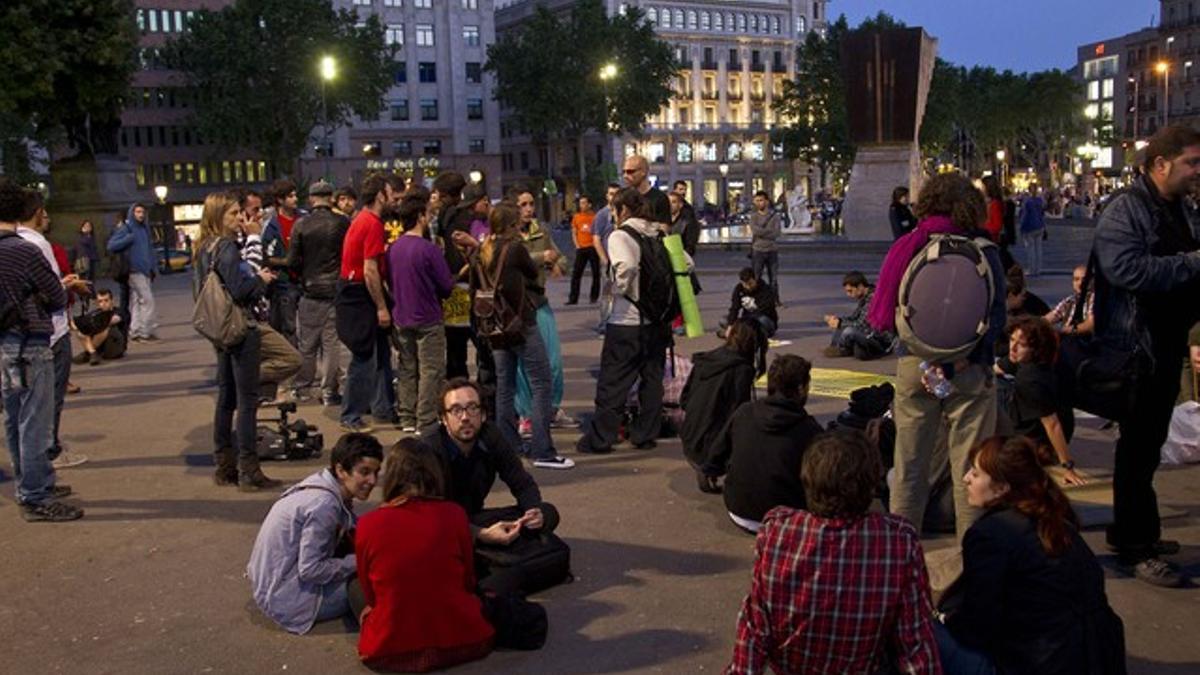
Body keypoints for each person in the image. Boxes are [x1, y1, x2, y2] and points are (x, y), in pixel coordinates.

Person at [726, 430, 941, 674]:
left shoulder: (777, 529)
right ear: (870, 485)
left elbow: (755, 626)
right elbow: (914, 639)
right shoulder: (898, 540)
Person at [867, 173, 1007, 540]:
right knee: (970, 467)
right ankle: (970, 557)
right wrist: (962, 359)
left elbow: (893, 314)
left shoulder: (911, 245)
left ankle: (900, 551)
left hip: (918, 366)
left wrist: (924, 354)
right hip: (969, 370)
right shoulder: (984, 249)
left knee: (910, 464)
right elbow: (996, 316)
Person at [1091, 125, 1200, 587]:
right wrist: (1194, 262)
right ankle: (1135, 546)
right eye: (1191, 162)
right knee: (1136, 449)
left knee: (1147, 446)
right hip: (1137, 349)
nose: (1197, 171)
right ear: (1161, 164)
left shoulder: (1181, 208)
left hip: (1167, 343)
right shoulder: (1126, 210)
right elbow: (1126, 270)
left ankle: (1139, 531)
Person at [935, 436, 1127, 674]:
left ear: (1002, 488)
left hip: (1038, 660)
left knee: (925, 629)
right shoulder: (1059, 521)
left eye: (975, 474)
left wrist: (944, 620)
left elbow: (979, 623)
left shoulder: (990, 534)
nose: (966, 479)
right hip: (1097, 656)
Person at [355, 437, 495, 671]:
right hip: (465, 641)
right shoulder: (454, 514)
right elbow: (468, 580)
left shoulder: (369, 524)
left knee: (354, 586)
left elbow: (370, 593)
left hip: (387, 651)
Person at [423, 379, 564, 588]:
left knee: (548, 513)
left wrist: (532, 511)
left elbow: (522, 483)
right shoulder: (430, 448)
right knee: (439, 543)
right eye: (455, 410)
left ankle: (491, 553)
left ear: (483, 413)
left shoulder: (490, 436)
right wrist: (479, 534)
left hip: (474, 518)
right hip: (441, 527)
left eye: (472, 408)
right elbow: (428, 515)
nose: (465, 417)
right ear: (443, 419)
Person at [576, 187, 685, 455]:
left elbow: (625, 267)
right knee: (652, 380)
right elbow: (687, 264)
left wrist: (617, 287)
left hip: (627, 322)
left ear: (623, 209)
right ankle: (645, 434)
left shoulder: (621, 235)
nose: (613, 215)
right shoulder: (659, 232)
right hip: (658, 323)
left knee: (613, 382)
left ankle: (602, 438)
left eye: (614, 209)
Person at [0, 180, 81, 522]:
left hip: (4, 343)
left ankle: (28, 484)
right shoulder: (25, 250)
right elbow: (58, 296)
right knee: (35, 420)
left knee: (15, 418)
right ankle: (36, 494)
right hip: (31, 340)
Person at [470, 204, 573, 469]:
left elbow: (473, 286)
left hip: (494, 326)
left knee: (505, 384)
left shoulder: (481, 250)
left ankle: (510, 445)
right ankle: (543, 450)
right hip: (519, 322)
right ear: (512, 225)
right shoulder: (514, 249)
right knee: (541, 383)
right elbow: (531, 272)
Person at [247, 433, 382, 634]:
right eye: (364, 472)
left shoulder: (322, 482)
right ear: (341, 470)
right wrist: (360, 561)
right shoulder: (324, 505)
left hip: (271, 585)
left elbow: (354, 525)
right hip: (286, 600)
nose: (372, 480)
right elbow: (311, 569)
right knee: (377, 581)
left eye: (375, 472)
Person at [194, 191, 281, 491]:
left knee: (226, 398)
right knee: (247, 401)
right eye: (232, 214)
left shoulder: (203, 248)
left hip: (219, 329)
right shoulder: (227, 247)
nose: (239, 219)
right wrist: (262, 281)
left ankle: (225, 464)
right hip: (240, 328)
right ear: (219, 217)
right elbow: (242, 290)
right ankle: (249, 469)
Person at [706, 354, 823, 532]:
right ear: (801, 388)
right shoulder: (808, 429)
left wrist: (711, 471)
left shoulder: (744, 412)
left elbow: (716, 455)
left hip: (738, 510)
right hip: (786, 519)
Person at [17, 192, 91, 469]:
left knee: (26, 404)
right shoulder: (37, 243)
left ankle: (37, 458)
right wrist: (68, 285)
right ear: (36, 213)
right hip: (51, 329)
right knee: (49, 397)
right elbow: (50, 292)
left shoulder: (13, 241)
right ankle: (49, 451)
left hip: (24, 331)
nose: (47, 219)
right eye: (45, 214)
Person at [388, 187, 455, 432]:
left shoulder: (393, 248)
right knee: (431, 370)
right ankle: (425, 419)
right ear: (420, 216)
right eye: (427, 214)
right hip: (428, 316)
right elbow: (446, 286)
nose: (429, 219)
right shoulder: (429, 249)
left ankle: (406, 416)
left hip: (402, 316)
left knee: (407, 368)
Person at [510, 187, 576, 432]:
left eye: (530, 204)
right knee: (523, 365)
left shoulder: (541, 231)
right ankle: (526, 415)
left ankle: (552, 408)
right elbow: (510, 259)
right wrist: (541, 258)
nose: (528, 209)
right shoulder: (509, 235)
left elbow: (561, 258)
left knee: (554, 361)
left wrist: (558, 263)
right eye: (522, 204)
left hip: (539, 301)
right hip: (517, 304)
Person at [338, 174, 398, 434]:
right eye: (389, 194)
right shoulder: (372, 223)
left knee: (381, 353)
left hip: (353, 292)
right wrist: (382, 307)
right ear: (380, 196)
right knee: (364, 358)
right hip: (359, 296)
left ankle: (382, 407)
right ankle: (351, 415)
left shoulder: (360, 220)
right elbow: (370, 269)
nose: (392, 199)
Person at [994, 316, 1086, 486]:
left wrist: (1067, 466)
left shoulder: (1031, 380)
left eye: (1021, 344)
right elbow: (996, 369)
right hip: (1050, 422)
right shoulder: (1030, 359)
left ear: (1035, 349)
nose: (1012, 348)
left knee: (991, 391)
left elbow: (1052, 424)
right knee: (989, 380)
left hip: (1035, 440)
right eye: (1011, 340)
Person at [680, 320, 764, 494]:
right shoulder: (741, 369)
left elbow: (685, 398)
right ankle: (716, 465)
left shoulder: (707, 359)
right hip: (709, 441)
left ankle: (708, 462)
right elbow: (738, 412)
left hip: (690, 435)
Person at [287, 180, 349, 407]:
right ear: (331, 197)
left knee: (308, 343)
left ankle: (303, 387)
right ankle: (329, 391)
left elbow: (292, 261)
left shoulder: (301, 225)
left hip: (310, 290)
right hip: (335, 290)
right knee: (332, 344)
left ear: (311, 199)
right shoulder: (342, 222)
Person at [106, 201, 158, 341]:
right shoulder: (127, 228)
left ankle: (135, 331)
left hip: (145, 270)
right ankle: (144, 332)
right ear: (132, 213)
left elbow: (149, 250)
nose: (141, 215)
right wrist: (128, 239)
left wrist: (153, 267)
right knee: (147, 300)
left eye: (142, 212)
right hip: (134, 270)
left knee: (137, 301)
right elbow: (111, 245)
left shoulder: (145, 229)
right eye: (138, 212)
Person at [262, 179, 303, 345]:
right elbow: (265, 255)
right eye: (291, 196)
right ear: (280, 200)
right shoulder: (271, 225)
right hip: (285, 283)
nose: (295, 199)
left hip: (305, 280)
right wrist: (285, 262)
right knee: (288, 327)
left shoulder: (304, 218)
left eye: (295, 195)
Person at [823, 271, 894, 360]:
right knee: (842, 327)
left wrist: (840, 323)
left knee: (848, 331)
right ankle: (838, 347)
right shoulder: (865, 297)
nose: (848, 295)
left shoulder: (873, 298)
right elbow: (855, 317)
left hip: (880, 339)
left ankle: (842, 349)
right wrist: (838, 320)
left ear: (860, 286)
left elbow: (863, 324)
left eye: (850, 291)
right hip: (869, 333)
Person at [592, 183, 621, 334]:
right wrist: (604, 259)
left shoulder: (624, 212)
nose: (613, 196)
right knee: (607, 293)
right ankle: (604, 324)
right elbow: (596, 239)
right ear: (607, 196)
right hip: (609, 259)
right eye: (611, 193)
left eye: (616, 193)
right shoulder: (602, 215)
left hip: (622, 259)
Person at [71, 289, 126, 365]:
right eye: (100, 301)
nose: (103, 304)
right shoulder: (95, 313)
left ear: (111, 301)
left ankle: (88, 353)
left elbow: (114, 320)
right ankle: (93, 353)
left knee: (105, 327)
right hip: (101, 349)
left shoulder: (119, 311)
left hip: (115, 347)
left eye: (106, 300)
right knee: (81, 331)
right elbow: (75, 324)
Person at [720, 267, 777, 339]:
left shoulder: (765, 289)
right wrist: (730, 326)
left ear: (755, 279)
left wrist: (744, 322)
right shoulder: (739, 289)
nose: (748, 287)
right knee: (724, 320)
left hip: (764, 319)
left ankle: (743, 332)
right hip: (746, 320)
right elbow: (734, 308)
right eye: (745, 284)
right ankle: (743, 332)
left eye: (750, 283)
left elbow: (763, 310)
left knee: (762, 320)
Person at [566, 195, 600, 305]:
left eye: (584, 203)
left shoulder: (595, 217)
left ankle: (593, 297)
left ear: (589, 204)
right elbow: (574, 231)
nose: (582, 205)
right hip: (581, 248)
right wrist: (577, 245)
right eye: (580, 203)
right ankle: (573, 298)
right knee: (576, 274)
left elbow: (598, 232)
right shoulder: (576, 217)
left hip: (593, 248)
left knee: (596, 273)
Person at [749, 190, 782, 302]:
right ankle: (757, 298)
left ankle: (775, 300)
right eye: (757, 201)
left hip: (772, 250)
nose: (759, 203)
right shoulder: (753, 217)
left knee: (773, 278)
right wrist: (768, 232)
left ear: (767, 201)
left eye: (761, 200)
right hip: (758, 250)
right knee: (757, 277)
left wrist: (762, 232)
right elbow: (755, 231)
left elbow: (777, 233)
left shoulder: (775, 216)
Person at [1043, 264, 1094, 336]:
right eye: (1076, 279)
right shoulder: (1069, 301)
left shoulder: (1095, 298)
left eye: (1084, 279)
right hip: (1068, 340)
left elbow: (1091, 325)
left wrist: (1066, 330)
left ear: (1092, 281)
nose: (1080, 283)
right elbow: (1049, 318)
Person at [622, 154, 670, 225]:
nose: (625, 176)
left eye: (630, 172)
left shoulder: (660, 198)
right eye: (624, 172)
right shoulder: (623, 196)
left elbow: (665, 227)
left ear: (643, 172)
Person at [1019, 187, 1047, 277]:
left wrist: (1021, 227)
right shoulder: (1040, 201)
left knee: (1031, 249)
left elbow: (1025, 216)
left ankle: (1032, 269)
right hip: (1040, 226)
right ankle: (1038, 269)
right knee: (1039, 249)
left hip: (1030, 227)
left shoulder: (1027, 202)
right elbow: (1042, 214)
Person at [670, 181, 701, 256]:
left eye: (685, 190)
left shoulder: (688, 209)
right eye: (680, 189)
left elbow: (692, 235)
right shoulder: (665, 213)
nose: (683, 192)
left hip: (682, 252)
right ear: (674, 190)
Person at [981, 175, 1004, 242]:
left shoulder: (995, 204)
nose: (981, 189)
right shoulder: (988, 202)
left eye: (983, 186)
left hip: (990, 238)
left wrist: (983, 229)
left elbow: (997, 225)